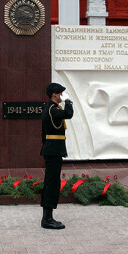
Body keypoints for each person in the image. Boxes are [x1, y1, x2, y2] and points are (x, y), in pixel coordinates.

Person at [40, 82, 74, 229]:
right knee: (52, 184)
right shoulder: (52, 110)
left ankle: (47, 217)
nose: (61, 95)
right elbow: (69, 114)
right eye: (60, 93)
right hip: (53, 151)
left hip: (52, 150)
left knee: (51, 183)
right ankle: (47, 219)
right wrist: (68, 102)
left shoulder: (52, 108)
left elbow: (43, 134)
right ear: (54, 94)